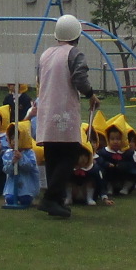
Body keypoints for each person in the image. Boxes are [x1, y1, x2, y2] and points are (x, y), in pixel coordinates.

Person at [33, 15, 98, 220]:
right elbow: (80, 78)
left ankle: (57, 200)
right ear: (77, 35)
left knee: (52, 156)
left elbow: (39, 78)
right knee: (69, 154)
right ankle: (50, 198)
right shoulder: (74, 53)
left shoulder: (45, 54)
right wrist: (90, 94)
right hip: (64, 111)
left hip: (46, 110)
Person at [1, 123, 42, 208]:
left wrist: (21, 158)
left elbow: (30, 168)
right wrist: (12, 163)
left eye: (16, 138)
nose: (14, 141)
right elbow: (6, 170)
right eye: (12, 138)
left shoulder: (29, 153)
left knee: (25, 200)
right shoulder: (8, 153)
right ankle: (11, 195)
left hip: (26, 184)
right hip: (13, 184)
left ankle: (27, 198)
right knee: (10, 200)